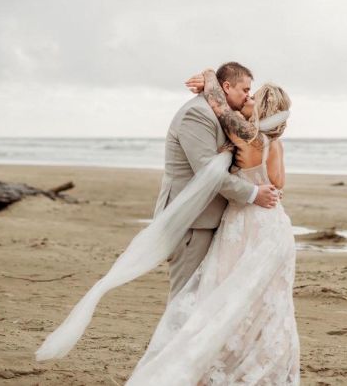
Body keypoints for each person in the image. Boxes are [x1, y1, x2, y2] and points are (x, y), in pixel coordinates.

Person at [126, 69, 300, 385]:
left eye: (251, 95)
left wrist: (210, 82)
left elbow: (221, 111)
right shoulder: (275, 143)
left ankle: (198, 363)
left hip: (246, 220)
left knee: (219, 293)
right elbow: (279, 184)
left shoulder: (246, 137)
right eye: (244, 91)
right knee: (263, 300)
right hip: (275, 226)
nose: (246, 98)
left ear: (259, 108)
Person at [155, 62, 279, 300]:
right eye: (244, 90)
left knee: (200, 296)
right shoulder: (197, 114)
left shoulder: (220, 113)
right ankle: (171, 339)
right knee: (184, 296)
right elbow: (207, 173)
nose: (247, 96)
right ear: (226, 86)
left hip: (206, 218)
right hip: (191, 220)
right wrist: (254, 193)